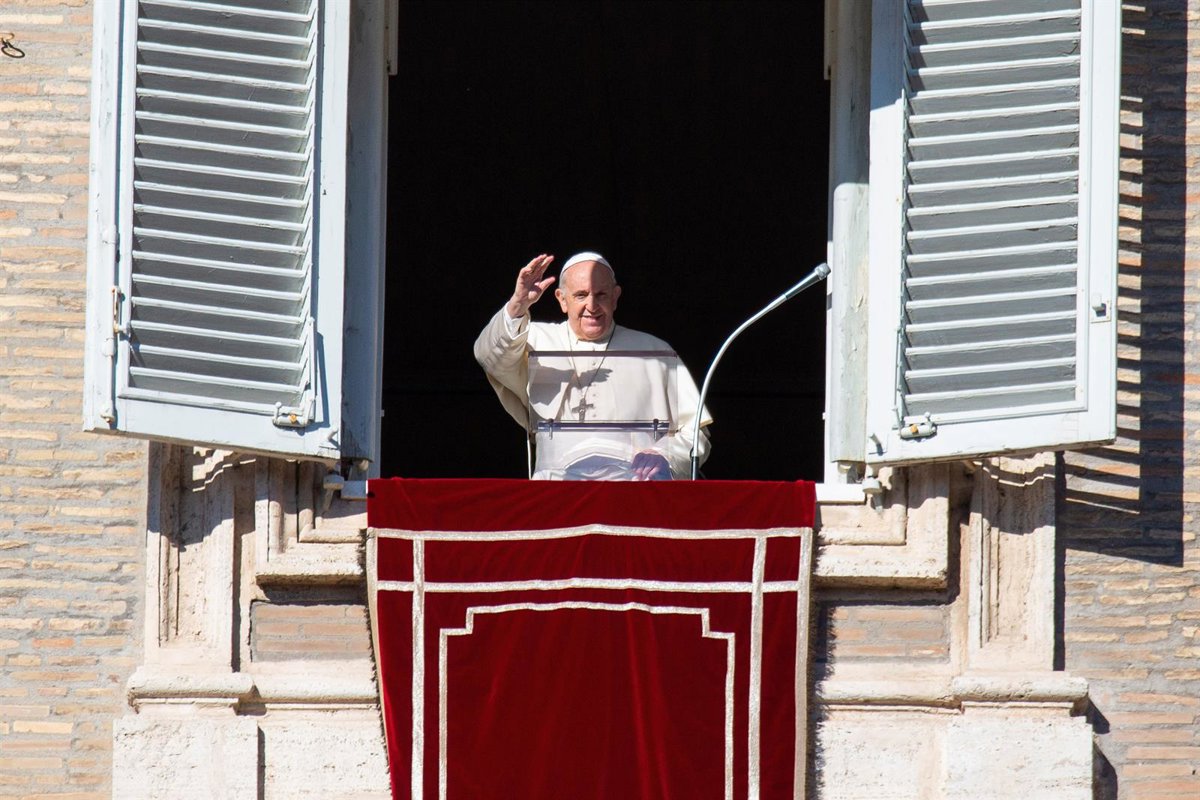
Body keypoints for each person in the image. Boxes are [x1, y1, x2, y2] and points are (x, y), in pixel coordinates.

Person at [474, 252, 711, 480]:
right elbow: (488, 355)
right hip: (557, 489)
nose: (592, 305)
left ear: (615, 297)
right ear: (562, 299)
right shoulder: (533, 340)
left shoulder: (655, 352)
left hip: (632, 491)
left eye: (601, 295)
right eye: (581, 295)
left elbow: (696, 431)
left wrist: (664, 455)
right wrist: (517, 305)